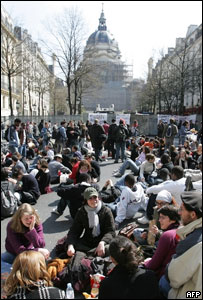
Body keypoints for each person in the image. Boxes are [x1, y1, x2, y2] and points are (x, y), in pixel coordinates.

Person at [159, 190, 202, 299]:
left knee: (163, 281)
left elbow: (173, 278)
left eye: (182, 210)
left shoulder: (192, 242)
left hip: (196, 295)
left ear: (193, 215)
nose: (179, 213)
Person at [65, 187, 116, 257]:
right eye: (90, 198)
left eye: (95, 197)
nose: (94, 200)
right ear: (86, 200)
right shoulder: (82, 212)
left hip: (103, 241)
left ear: (98, 197)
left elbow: (111, 231)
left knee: (110, 250)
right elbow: (74, 230)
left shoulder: (106, 211)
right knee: (70, 248)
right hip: (87, 241)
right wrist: (70, 245)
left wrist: (102, 243)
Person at [143, 205, 180, 279]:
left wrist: (145, 263)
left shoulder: (168, 235)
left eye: (163, 217)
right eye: (159, 217)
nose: (159, 220)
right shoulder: (181, 230)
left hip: (163, 276)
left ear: (173, 220)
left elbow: (154, 264)